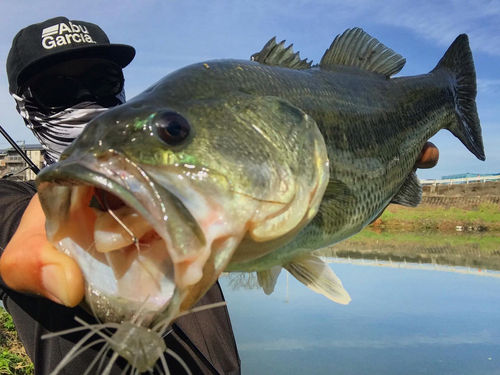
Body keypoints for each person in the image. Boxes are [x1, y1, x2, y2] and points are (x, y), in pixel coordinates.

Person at [0, 17, 240, 375]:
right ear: (24, 108)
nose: (85, 98)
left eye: (102, 81)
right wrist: (70, 195)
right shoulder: (10, 198)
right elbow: (16, 226)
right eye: (55, 90)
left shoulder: (178, 186)